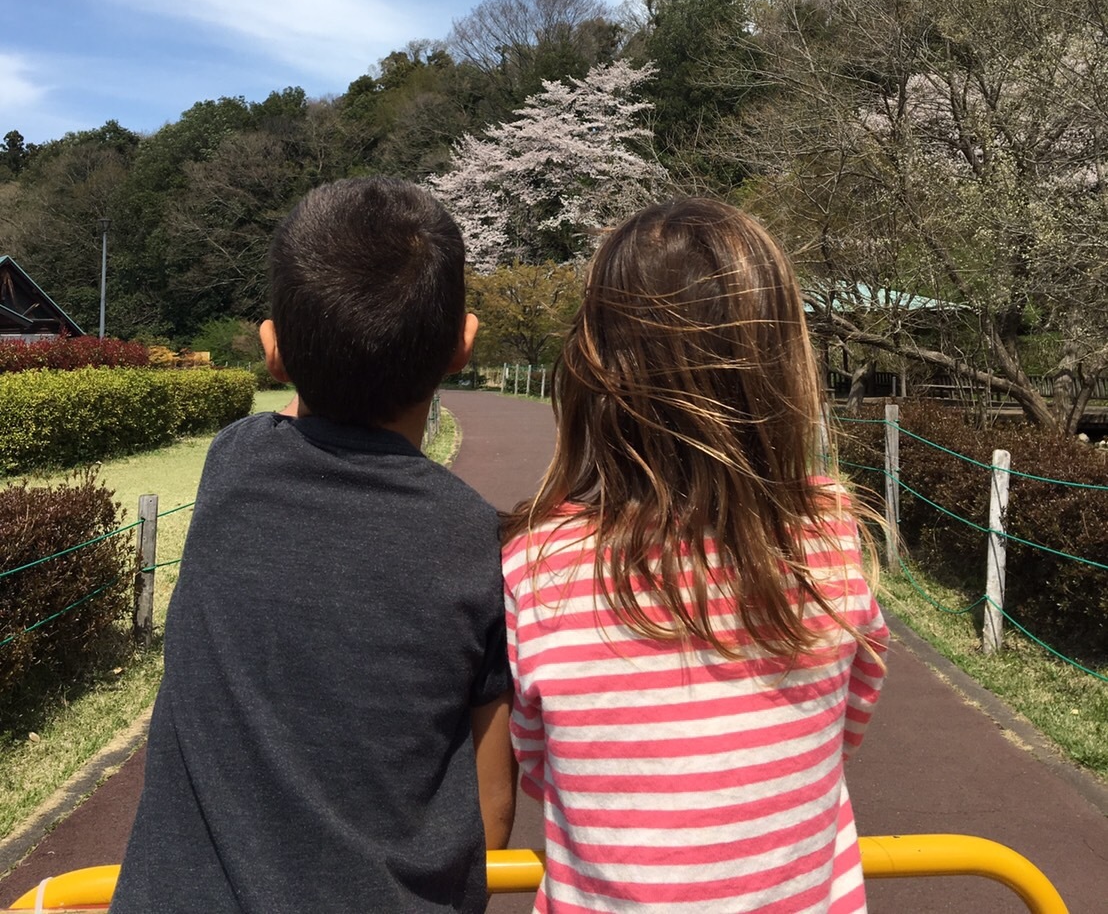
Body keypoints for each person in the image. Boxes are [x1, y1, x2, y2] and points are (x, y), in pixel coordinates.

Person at [113, 179, 515, 914]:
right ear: (463, 346)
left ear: (274, 355)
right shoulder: (478, 541)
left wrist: (300, 348)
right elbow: (492, 803)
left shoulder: (232, 463)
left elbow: (303, 406)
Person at [501, 197, 888, 913]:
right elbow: (846, 728)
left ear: (594, 365)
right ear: (782, 361)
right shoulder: (829, 534)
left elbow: (538, 767)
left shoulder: (538, 566)